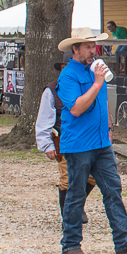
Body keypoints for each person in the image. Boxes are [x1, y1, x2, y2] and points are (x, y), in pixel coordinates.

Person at [56, 27, 127, 254]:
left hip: (101, 142)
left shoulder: (95, 70)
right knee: (76, 194)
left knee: (113, 190)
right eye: (88, 47)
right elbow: (76, 108)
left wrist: (109, 129)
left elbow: (103, 103)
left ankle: (124, 242)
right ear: (75, 49)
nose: (93, 51)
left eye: (94, 46)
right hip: (79, 144)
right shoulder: (68, 75)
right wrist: (97, 84)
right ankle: (70, 244)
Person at [35, 77, 98, 223]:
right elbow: (44, 118)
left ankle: (77, 204)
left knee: (92, 176)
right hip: (65, 140)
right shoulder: (52, 90)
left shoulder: (88, 84)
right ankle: (69, 218)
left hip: (88, 139)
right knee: (67, 179)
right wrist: (47, 144)